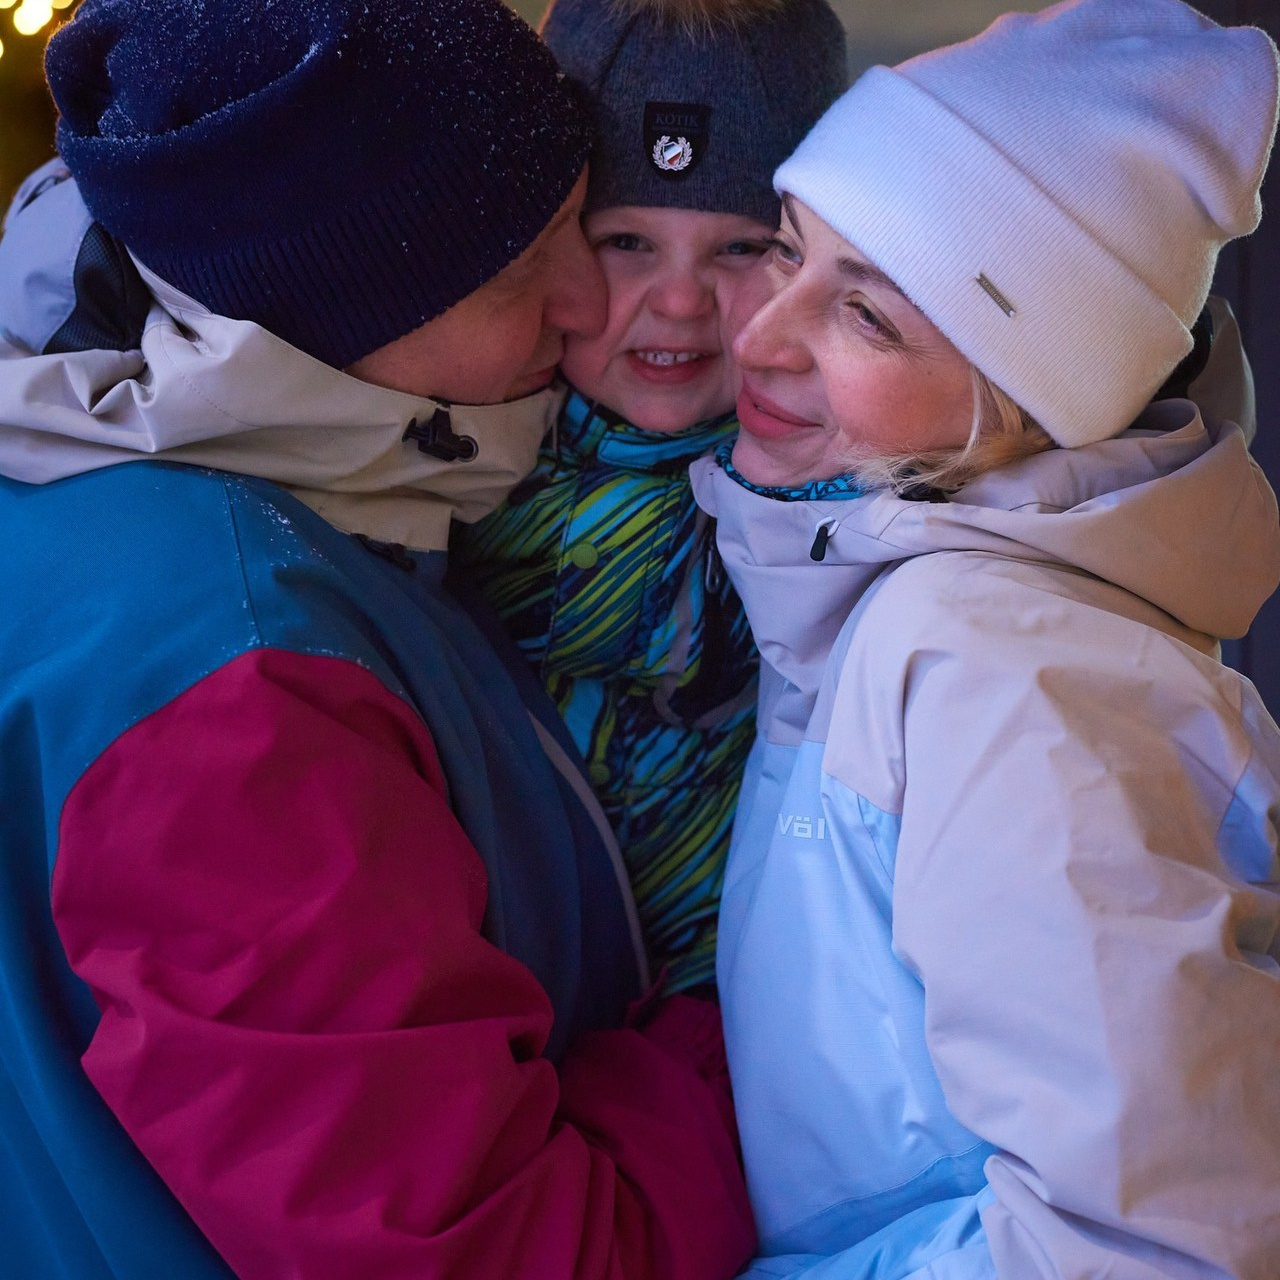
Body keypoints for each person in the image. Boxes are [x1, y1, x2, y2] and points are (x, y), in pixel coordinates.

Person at [0, 1, 755, 1276]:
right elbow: (493, 1251)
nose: (585, 304)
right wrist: (753, 1054)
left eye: (581, 224)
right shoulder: (232, 681)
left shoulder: (249, 502)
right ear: (327, 318)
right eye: (517, 272)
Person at [689, 0, 1280, 1275]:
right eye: (785, 250)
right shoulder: (894, 599)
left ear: (1028, 404)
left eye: (867, 315)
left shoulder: (999, 671)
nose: (756, 333)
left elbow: (1145, 1250)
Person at [453, 0, 847, 992]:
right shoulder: (434, 466)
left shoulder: (842, 505)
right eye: (626, 241)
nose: (678, 302)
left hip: (739, 1005)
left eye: (741, 249)